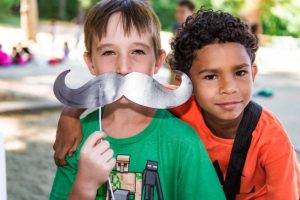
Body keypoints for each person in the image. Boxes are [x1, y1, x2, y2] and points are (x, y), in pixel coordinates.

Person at [53, 8, 300, 199]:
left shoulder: (272, 139)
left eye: (240, 73)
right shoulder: (180, 104)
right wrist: (70, 114)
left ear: (253, 73)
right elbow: (126, 88)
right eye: (211, 76)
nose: (229, 88)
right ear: (187, 83)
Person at [50, 1, 225, 200]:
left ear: (158, 61)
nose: (123, 68)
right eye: (108, 52)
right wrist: (85, 185)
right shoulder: (76, 138)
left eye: (137, 51)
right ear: (90, 63)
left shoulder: (183, 142)